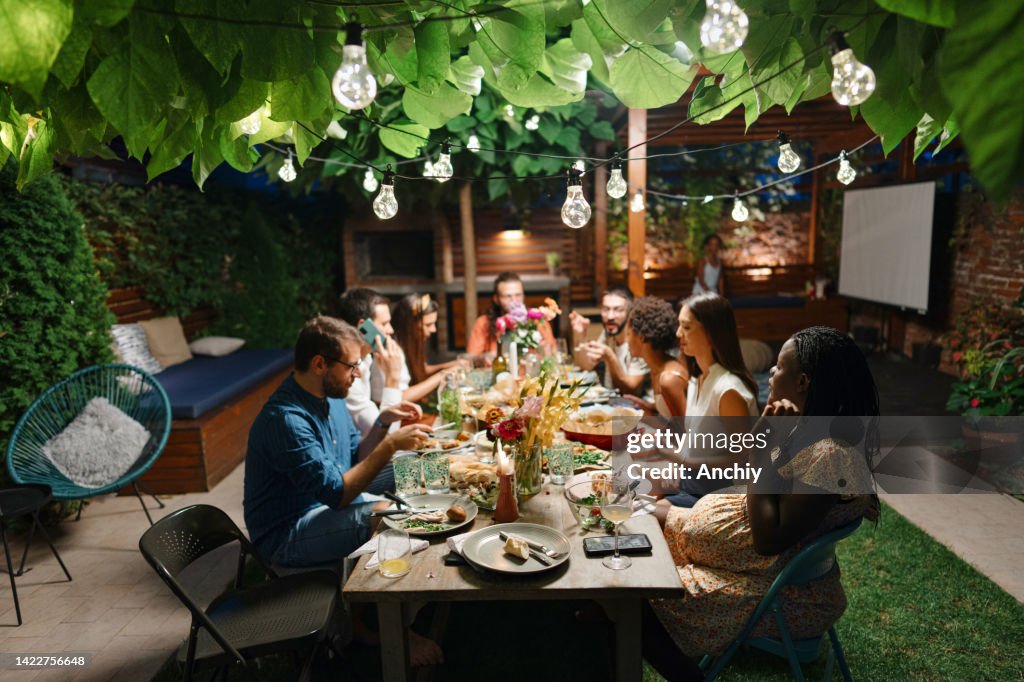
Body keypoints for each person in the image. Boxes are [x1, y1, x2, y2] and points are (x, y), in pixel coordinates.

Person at [643, 326, 880, 681]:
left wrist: (763, 449)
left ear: (802, 382)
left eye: (779, 367)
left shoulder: (831, 455)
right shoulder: (807, 429)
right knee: (636, 511)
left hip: (768, 584)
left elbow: (768, 539)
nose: (770, 372)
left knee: (635, 597)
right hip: (735, 551)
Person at [660, 292, 759, 507]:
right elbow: (693, 437)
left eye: (686, 327)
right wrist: (676, 466)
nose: (678, 334)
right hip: (693, 482)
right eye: (679, 326)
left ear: (711, 333)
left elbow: (741, 460)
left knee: (642, 512)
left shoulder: (728, 390)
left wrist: (685, 461)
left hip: (721, 496)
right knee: (627, 487)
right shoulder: (699, 378)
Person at [336, 287, 414, 436]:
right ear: (363, 328)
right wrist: (393, 377)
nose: (391, 330)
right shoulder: (348, 373)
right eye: (384, 324)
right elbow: (386, 435)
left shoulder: (366, 359)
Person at [375, 293, 457, 405]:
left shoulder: (409, 343)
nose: (434, 330)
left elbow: (421, 368)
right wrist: (443, 374)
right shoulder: (392, 350)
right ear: (410, 324)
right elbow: (399, 397)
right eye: (428, 325)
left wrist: (453, 365)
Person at [569, 287, 648, 396]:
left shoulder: (639, 341)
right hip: (609, 400)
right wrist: (581, 335)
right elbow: (586, 366)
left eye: (618, 310)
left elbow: (631, 390)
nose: (610, 316)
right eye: (606, 309)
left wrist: (610, 357)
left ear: (629, 313)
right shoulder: (608, 333)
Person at [619, 296, 688, 417]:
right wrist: (644, 405)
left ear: (641, 337)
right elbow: (667, 412)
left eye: (628, 334)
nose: (626, 340)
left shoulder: (669, 379)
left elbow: (685, 430)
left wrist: (646, 418)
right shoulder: (656, 368)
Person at [466, 272, 556, 354]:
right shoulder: (483, 323)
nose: (514, 301)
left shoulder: (537, 320)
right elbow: (471, 357)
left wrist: (545, 350)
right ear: (496, 299)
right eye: (507, 296)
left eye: (518, 295)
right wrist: (487, 357)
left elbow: (554, 352)